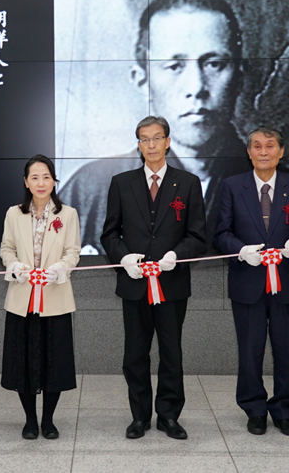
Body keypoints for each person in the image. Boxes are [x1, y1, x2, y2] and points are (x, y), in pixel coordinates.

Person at [61, 0, 251, 254]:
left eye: (214, 64)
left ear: (239, 76)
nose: (196, 87)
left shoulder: (272, 183)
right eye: (174, 66)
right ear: (142, 78)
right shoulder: (90, 187)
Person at [100, 115, 207, 440]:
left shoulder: (188, 183)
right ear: (138, 144)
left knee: (171, 352)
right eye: (144, 139)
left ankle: (169, 416)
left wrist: (177, 255)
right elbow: (109, 234)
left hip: (172, 285)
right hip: (134, 284)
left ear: (168, 142)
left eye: (156, 138)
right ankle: (139, 417)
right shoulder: (122, 182)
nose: (151, 144)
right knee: (135, 354)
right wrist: (123, 258)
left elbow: (198, 235)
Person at [213, 127, 289, 436]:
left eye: (269, 146)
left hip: (286, 282)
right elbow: (220, 233)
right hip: (248, 282)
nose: (263, 151)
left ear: (280, 152)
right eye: (256, 146)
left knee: (286, 350)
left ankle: (284, 410)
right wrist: (241, 251)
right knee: (249, 351)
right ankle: (254, 409)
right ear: (249, 152)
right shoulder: (232, 186)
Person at [0, 155, 81, 440]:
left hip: (54, 297)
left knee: (54, 361)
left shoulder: (67, 214)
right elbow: (6, 249)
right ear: (26, 182)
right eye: (34, 177)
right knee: (23, 360)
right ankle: (30, 420)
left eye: (46, 176)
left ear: (54, 180)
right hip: (22, 298)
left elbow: (73, 252)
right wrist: (14, 266)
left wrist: (60, 268)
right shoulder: (14, 213)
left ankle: (48, 420)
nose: (41, 182)